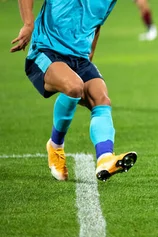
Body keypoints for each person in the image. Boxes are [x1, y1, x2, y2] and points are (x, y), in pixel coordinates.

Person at [10, 0, 138, 181]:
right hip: (46, 51)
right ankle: (55, 145)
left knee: (101, 99)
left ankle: (105, 158)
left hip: (79, 58)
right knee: (74, 86)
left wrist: (90, 55)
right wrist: (29, 24)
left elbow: (96, 24)